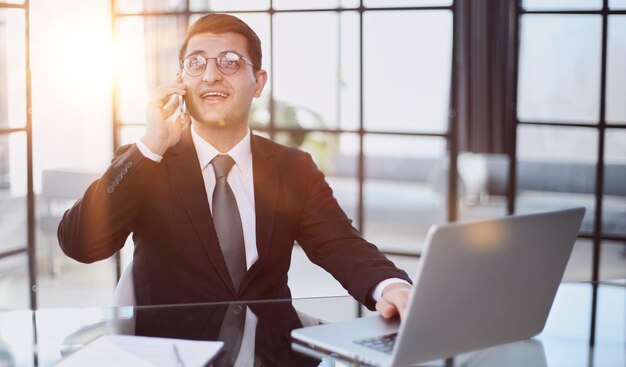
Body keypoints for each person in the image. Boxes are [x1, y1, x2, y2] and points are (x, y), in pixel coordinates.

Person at [58, 13, 411, 319]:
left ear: (258, 82)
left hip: (271, 353)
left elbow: (339, 243)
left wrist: (391, 287)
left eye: (229, 61)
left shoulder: (293, 168)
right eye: (196, 63)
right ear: (181, 82)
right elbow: (81, 244)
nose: (211, 75)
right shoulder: (147, 161)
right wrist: (151, 144)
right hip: (174, 353)